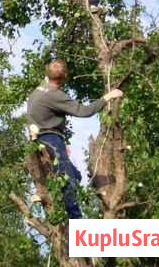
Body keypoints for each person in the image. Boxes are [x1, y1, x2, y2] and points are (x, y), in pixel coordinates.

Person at [27, 59, 123, 219]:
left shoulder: (38, 90)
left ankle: (43, 192)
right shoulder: (56, 95)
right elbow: (84, 111)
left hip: (41, 138)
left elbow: (33, 114)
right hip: (49, 138)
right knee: (69, 181)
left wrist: (61, 140)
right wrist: (107, 97)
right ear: (64, 77)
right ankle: (76, 219)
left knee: (76, 176)